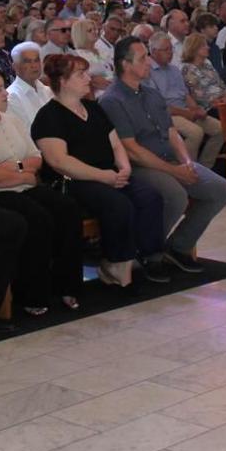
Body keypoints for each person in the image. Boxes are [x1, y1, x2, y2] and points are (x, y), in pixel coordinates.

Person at [34, 53, 168, 286]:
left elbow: (115, 143)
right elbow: (59, 161)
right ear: (63, 81)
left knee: (150, 197)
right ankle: (114, 263)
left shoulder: (93, 108)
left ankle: (143, 255)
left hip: (109, 174)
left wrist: (124, 167)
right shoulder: (49, 116)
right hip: (74, 181)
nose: (88, 78)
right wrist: (103, 176)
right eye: (81, 74)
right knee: (118, 204)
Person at [100, 36, 226, 273]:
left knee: (220, 189)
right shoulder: (112, 100)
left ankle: (179, 246)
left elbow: (171, 132)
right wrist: (175, 171)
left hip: (168, 159)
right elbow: (132, 150)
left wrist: (187, 162)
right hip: (139, 166)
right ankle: (147, 251)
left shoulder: (151, 94)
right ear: (125, 64)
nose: (149, 62)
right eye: (142, 58)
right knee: (175, 195)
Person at [0, 68, 85, 315]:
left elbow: (35, 157)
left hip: (21, 185)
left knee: (68, 208)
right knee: (38, 218)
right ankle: (32, 294)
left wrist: (15, 168)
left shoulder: (12, 120)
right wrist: (24, 174)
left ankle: (66, 285)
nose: (6, 93)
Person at [144, 33, 223, 167]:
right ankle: (188, 169)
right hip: (167, 115)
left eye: (171, 49)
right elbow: (160, 106)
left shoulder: (174, 70)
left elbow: (186, 95)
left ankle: (205, 167)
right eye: (166, 49)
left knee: (220, 129)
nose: (170, 53)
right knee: (195, 133)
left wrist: (196, 109)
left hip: (185, 110)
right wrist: (188, 113)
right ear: (153, 51)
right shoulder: (148, 72)